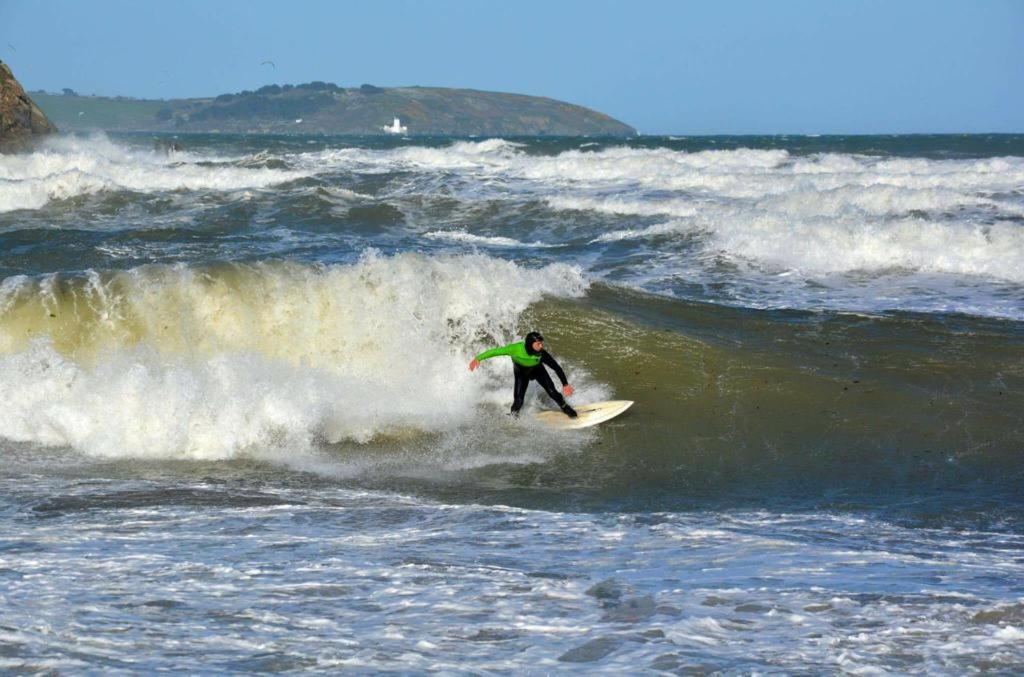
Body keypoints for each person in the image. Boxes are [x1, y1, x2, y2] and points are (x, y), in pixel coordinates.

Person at [469, 331, 578, 418]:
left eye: (541, 343)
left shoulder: (541, 354)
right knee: (518, 401)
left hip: (538, 371)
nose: (541, 346)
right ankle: (513, 416)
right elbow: (495, 351)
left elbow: (556, 367)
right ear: (531, 344)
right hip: (521, 374)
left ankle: (565, 408)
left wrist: (565, 384)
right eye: (538, 344)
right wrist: (478, 358)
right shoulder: (515, 349)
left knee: (552, 392)